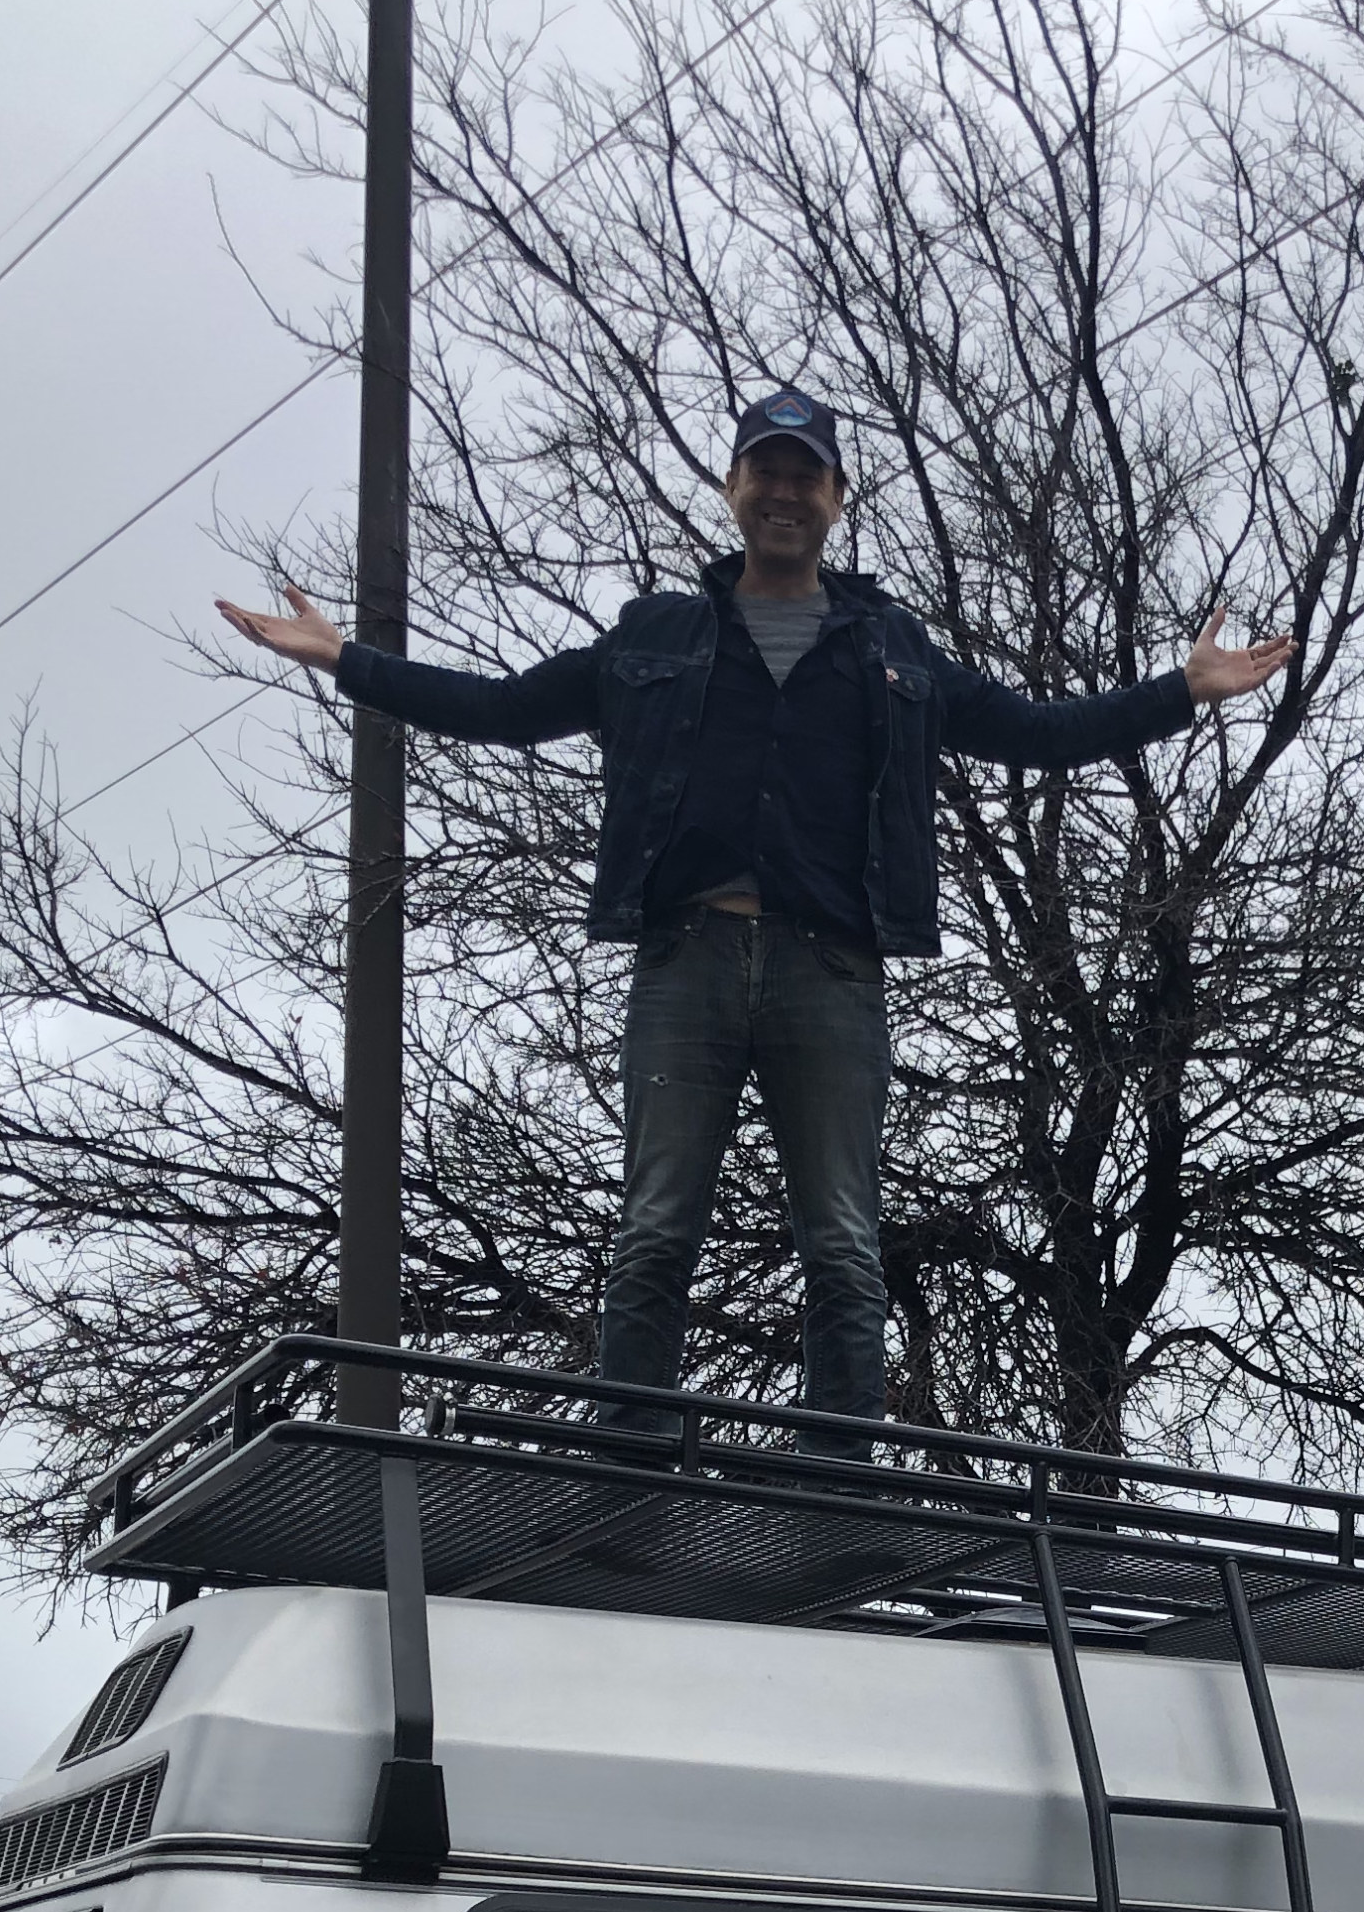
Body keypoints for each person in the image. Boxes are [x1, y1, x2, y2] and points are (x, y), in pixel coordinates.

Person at [221, 387, 1293, 1451]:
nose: (783, 491)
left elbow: (1039, 732)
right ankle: (628, 1469)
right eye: (765, 471)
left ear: (836, 498)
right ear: (734, 489)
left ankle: (837, 1482)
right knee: (652, 1231)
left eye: (805, 474)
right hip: (687, 957)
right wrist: (345, 660)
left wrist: (1179, 690)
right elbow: (505, 711)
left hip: (829, 972)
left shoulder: (895, 648)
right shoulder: (658, 633)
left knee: (841, 1240)